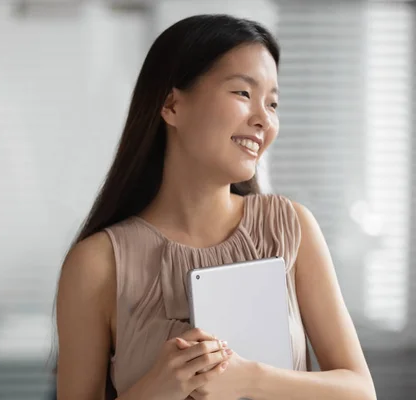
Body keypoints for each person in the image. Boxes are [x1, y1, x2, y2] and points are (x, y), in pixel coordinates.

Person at [55, 13, 376, 400]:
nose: (264, 120)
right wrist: (155, 391)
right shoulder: (97, 264)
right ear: (171, 104)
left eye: (272, 103)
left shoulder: (291, 228)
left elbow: (359, 391)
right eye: (243, 93)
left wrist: (250, 378)